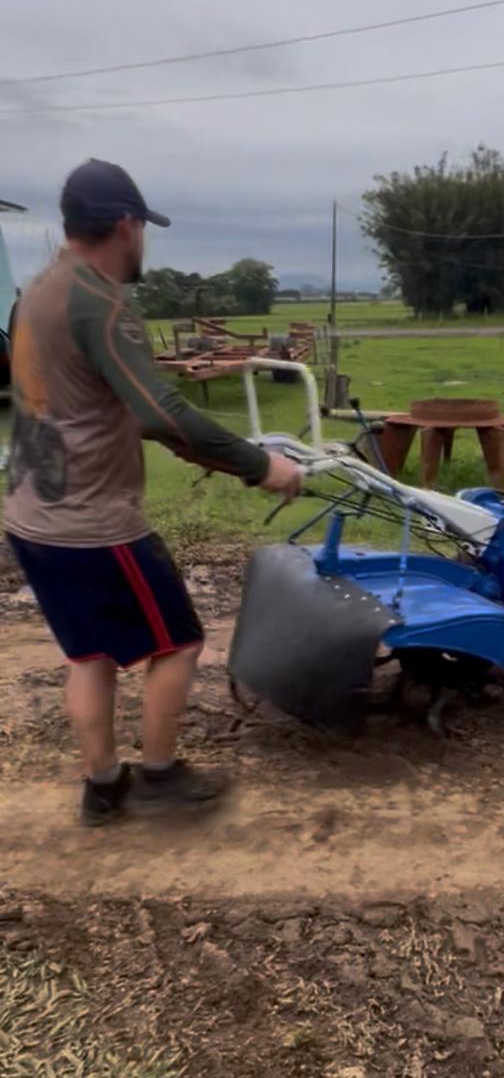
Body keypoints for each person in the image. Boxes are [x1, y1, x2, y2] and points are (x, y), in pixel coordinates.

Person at [2, 159, 302, 826]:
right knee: (180, 642)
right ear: (125, 224)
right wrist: (259, 465)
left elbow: (92, 404)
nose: (144, 242)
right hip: (93, 524)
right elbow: (161, 411)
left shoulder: (36, 294)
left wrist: (168, 440)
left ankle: (103, 787)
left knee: (91, 653)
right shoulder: (100, 302)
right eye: (143, 227)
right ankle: (160, 776)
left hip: (29, 514)